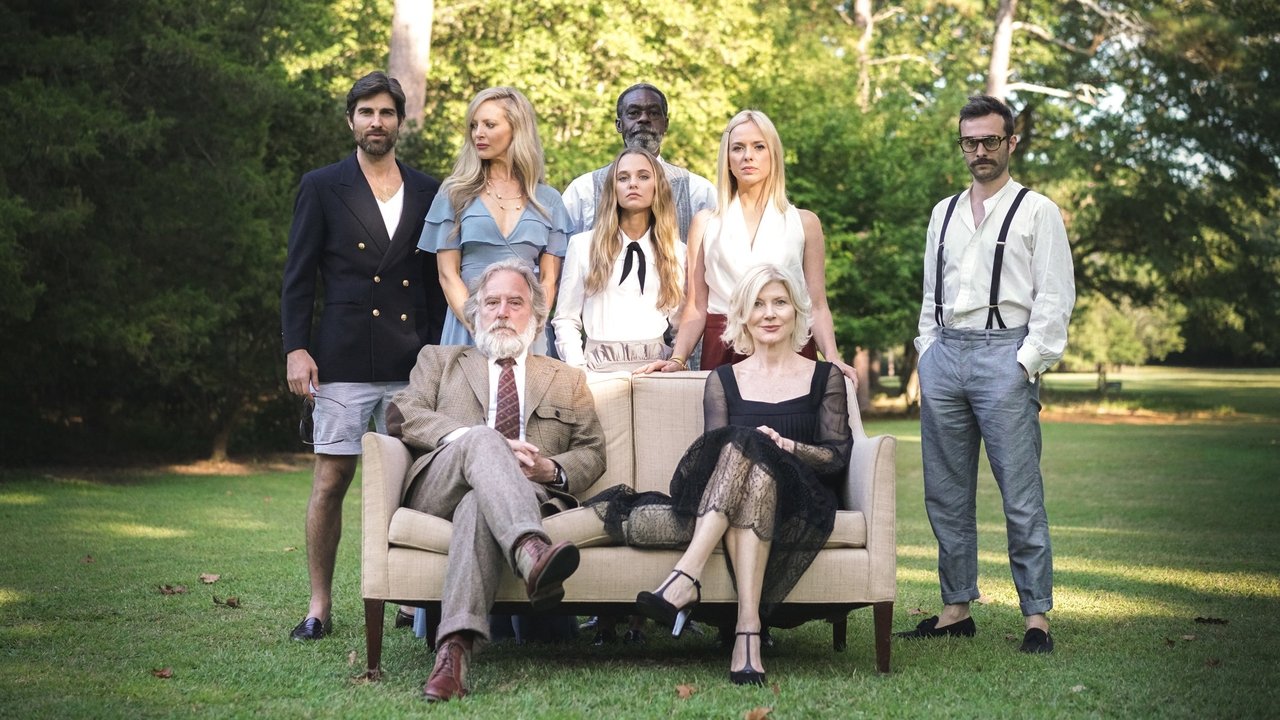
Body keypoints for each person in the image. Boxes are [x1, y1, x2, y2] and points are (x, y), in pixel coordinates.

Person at [588, 264, 852, 684]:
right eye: (758, 304)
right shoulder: (723, 379)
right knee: (743, 448)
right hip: (740, 495)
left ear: (796, 312)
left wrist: (786, 446)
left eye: (780, 303)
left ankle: (685, 578)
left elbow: (835, 458)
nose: (769, 313)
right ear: (743, 315)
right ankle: (748, 631)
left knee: (751, 443)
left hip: (803, 498)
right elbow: (717, 457)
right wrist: (758, 448)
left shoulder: (825, 376)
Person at [896, 94, 1075, 654]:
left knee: (1020, 493)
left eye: (990, 140)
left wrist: (1027, 362)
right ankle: (955, 609)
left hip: (1006, 355)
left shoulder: (1037, 211)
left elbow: (1055, 296)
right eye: (970, 142)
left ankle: (1036, 617)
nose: (980, 151)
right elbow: (932, 292)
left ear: (1011, 142)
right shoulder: (943, 212)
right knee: (946, 492)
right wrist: (928, 350)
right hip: (946, 354)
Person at [387, 258, 607, 701]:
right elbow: (402, 413)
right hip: (442, 487)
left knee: (478, 506)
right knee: (485, 439)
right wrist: (477, 440)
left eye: (515, 302)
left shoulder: (566, 379)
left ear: (537, 316)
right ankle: (530, 550)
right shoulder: (439, 360)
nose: (502, 312)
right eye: (491, 303)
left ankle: (453, 654)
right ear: (475, 314)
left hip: (525, 494)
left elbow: (592, 451)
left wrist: (550, 469)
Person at [280, 71, 443, 641]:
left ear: (400, 121)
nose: (377, 122)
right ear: (351, 120)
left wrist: (438, 357)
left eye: (386, 113)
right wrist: (296, 347)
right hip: (343, 356)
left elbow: (436, 282)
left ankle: (410, 599)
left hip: (411, 361)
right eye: (366, 112)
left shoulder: (428, 190)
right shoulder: (322, 186)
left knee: (416, 481)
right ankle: (319, 605)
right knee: (331, 480)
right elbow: (299, 276)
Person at [637, 110, 854, 381]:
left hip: (788, 348)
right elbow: (696, 306)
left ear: (773, 154)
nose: (747, 156)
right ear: (727, 159)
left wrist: (832, 357)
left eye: (758, 147)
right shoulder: (705, 223)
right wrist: (678, 359)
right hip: (724, 348)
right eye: (738, 148)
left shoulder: (805, 223)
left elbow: (817, 305)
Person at [419, 86, 571, 353]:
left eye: (489, 125)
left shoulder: (549, 200)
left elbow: (549, 280)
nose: (478, 133)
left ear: (517, 129)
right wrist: (479, 327)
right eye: (474, 125)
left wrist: (530, 329)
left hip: (525, 332)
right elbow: (448, 275)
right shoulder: (454, 194)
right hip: (468, 328)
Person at [553, 147, 685, 371]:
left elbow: (682, 322)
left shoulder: (675, 251)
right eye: (623, 178)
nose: (633, 184)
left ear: (658, 186)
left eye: (643, 176)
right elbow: (566, 318)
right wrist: (578, 367)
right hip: (597, 367)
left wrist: (676, 361)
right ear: (613, 188)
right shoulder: (583, 246)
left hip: (655, 368)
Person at [560, 83, 715, 242]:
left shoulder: (698, 191)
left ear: (666, 124)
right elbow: (559, 251)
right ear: (619, 125)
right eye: (634, 113)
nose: (644, 119)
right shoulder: (584, 191)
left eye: (653, 113)